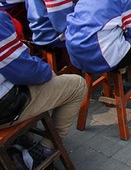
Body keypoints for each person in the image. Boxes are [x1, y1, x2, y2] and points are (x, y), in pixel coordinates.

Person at [0, 9, 86, 166]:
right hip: (6, 108)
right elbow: (24, 71)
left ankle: (23, 140)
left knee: (39, 80)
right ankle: (44, 150)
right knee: (77, 85)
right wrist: (47, 72)